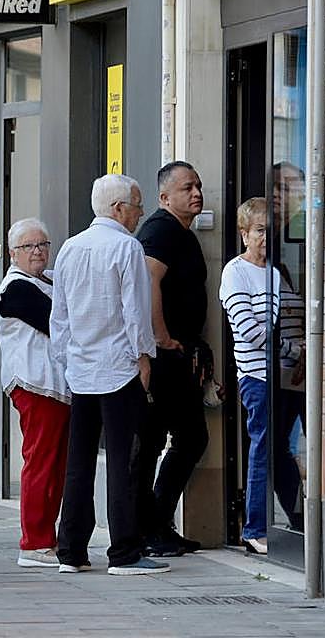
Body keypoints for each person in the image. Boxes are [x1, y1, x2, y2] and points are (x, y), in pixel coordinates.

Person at [51, 174, 167, 575]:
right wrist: (144, 358)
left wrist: (65, 360)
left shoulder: (69, 248)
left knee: (78, 463)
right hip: (118, 369)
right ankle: (124, 552)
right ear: (118, 208)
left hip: (80, 369)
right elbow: (135, 312)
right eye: (136, 204)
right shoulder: (126, 247)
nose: (139, 211)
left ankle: (71, 552)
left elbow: (59, 316)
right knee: (124, 461)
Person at [219, 198, 305, 555]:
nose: (266, 238)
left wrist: (289, 348)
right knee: (261, 450)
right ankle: (254, 529)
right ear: (243, 233)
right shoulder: (235, 272)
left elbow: (279, 318)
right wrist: (296, 350)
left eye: (270, 231)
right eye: (258, 231)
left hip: (284, 377)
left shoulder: (272, 272)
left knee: (281, 451)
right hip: (256, 378)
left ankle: (298, 521)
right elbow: (252, 332)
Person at [135, 161, 209, 557]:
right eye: (187, 188)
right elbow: (149, 281)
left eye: (198, 186)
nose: (196, 193)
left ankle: (157, 524)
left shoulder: (183, 233)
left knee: (186, 438)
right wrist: (162, 337)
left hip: (180, 356)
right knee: (160, 443)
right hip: (163, 359)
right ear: (165, 197)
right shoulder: (161, 229)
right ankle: (149, 528)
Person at [0, 217, 69, 569]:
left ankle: (47, 539)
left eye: (43, 244)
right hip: (36, 386)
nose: (38, 251)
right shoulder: (16, 289)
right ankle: (35, 542)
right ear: (13, 254)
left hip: (57, 389)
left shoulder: (48, 280)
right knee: (41, 464)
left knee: (55, 467)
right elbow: (59, 323)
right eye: (29, 247)